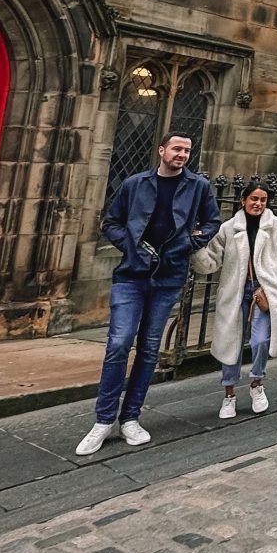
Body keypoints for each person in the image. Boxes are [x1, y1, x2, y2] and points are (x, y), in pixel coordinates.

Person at [77, 134, 221, 456]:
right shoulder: (134, 184)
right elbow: (110, 222)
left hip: (168, 279)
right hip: (131, 276)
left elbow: (212, 221)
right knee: (118, 344)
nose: (182, 155)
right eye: (177, 149)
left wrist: (191, 243)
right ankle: (103, 420)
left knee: (149, 349)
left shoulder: (197, 186)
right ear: (161, 151)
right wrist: (130, 246)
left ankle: (130, 418)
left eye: (187, 151)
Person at [191, 180, 277, 420]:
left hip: (266, 291)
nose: (258, 204)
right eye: (254, 199)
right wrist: (196, 248)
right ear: (243, 200)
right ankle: (229, 394)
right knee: (230, 344)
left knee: (260, 340)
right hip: (236, 290)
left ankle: (257, 383)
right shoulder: (228, 228)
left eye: (263, 200)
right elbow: (212, 260)